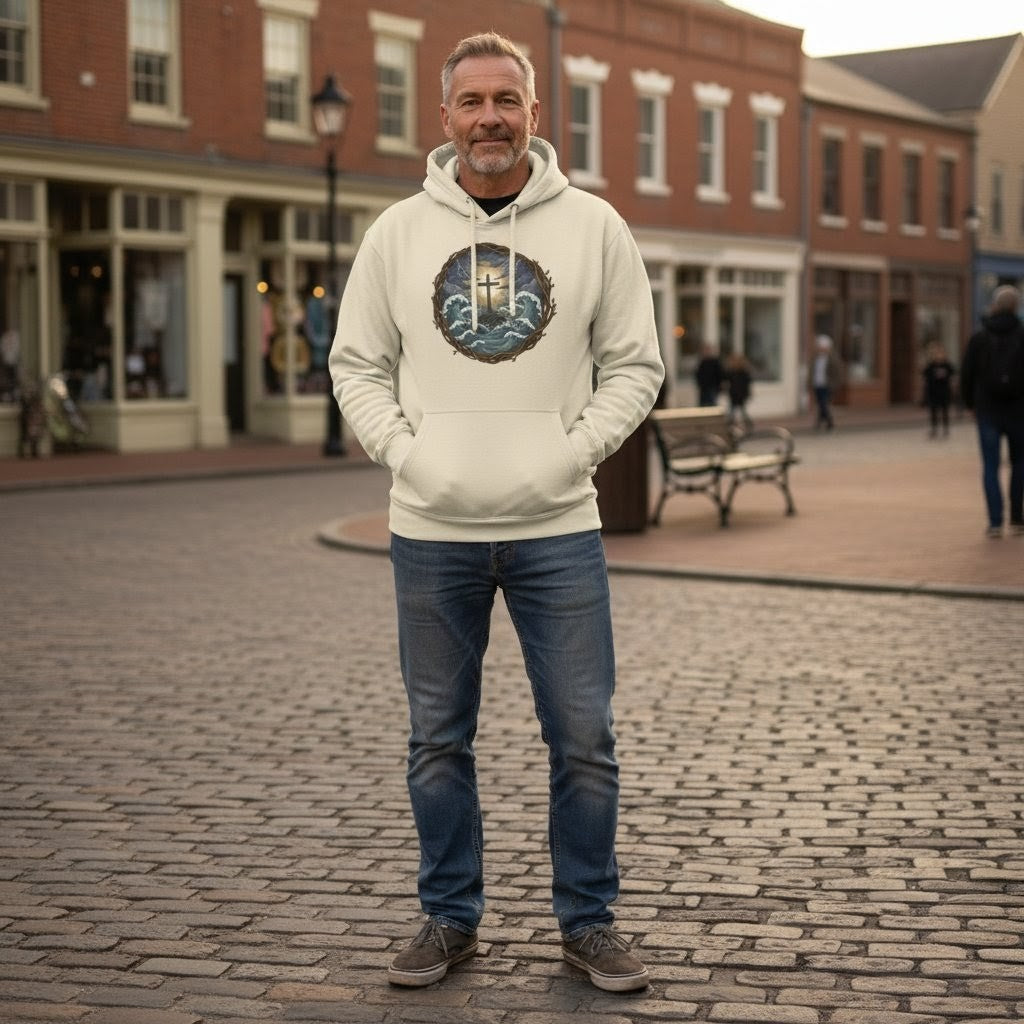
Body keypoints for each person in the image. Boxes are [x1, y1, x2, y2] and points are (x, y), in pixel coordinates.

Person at [329, 32, 664, 993]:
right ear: (444, 118)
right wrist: (411, 455)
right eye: (471, 102)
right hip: (432, 531)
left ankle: (588, 923)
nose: (489, 119)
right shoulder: (396, 234)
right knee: (437, 739)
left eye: (505, 101)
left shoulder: (594, 227)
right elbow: (357, 365)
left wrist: (569, 452)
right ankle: (450, 918)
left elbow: (635, 365)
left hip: (559, 528)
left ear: (533, 114)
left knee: (585, 740)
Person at [958, 284, 1024, 538]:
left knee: (990, 465)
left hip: (987, 409)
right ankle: (1017, 518)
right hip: (1018, 409)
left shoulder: (980, 337)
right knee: (1020, 463)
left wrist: (969, 404)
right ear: (1016, 306)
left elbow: (966, 374)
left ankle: (995, 521)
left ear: (995, 305)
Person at [921, 342, 955, 438]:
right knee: (933, 411)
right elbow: (924, 376)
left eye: (940, 353)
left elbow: (953, 375)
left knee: (945, 411)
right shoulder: (930, 366)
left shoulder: (947, 365)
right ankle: (934, 428)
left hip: (944, 392)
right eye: (936, 354)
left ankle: (945, 428)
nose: (938, 356)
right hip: (933, 392)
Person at [810, 334, 841, 430]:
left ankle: (828, 421)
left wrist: (835, 384)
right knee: (820, 404)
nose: (821, 349)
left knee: (824, 403)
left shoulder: (832, 359)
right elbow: (812, 371)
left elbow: (837, 372)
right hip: (817, 384)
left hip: (827, 385)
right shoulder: (816, 358)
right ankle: (821, 422)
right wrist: (810, 382)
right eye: (820, 347)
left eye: (823, 347)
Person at [724, 351, 753, 431]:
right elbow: (726, 380)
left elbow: (747, 385)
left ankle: (748, 425)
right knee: (732, 411)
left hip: (741, 395)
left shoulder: (744, 373)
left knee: (742, 411)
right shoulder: (731, 372)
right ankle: (729, 426)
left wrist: (747, 394)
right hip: (733, 395)